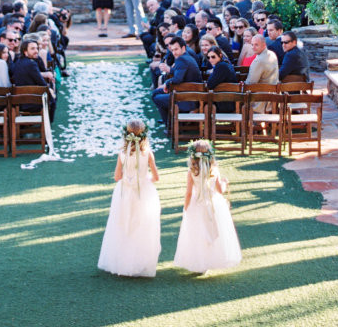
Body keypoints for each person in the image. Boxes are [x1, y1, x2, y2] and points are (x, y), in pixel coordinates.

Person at [97, 119, 161, 277]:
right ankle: (140, 264)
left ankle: (122, 264)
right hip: (143, 193)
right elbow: (156, 177)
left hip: (124, 193)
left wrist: (129, 180)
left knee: (123, 225)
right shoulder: (148, 153)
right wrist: (144, 181)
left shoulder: (122, 154)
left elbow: (117, 176)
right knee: (142, 225)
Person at [173, 140, 241, 273]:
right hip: (214, 204)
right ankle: (211, 259)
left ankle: (200, 263)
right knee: (214, 231)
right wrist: (225, 183)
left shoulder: (192, 171)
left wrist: (186, 208)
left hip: (197, 204)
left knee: (198, 233)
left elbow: (188, 193)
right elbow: (220, 189)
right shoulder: (214, 170)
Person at [152, 36, 202, 125]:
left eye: (176, 49)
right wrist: (170, 72)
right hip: (189, 94)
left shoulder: (182, 59)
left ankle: (169, 124)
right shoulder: (185, 57)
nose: (174, 53)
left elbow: (177, 79)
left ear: (183, 48)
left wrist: (166, 83)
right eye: (172, 50)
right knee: (155, 92)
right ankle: (169, 120)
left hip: (187, 99)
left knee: (156, 97)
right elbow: (179, 72)